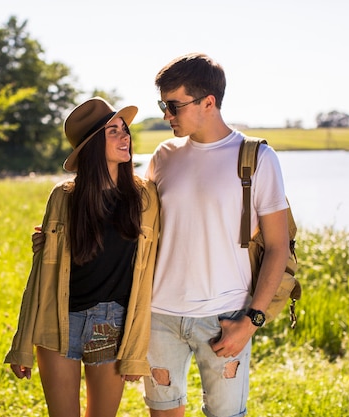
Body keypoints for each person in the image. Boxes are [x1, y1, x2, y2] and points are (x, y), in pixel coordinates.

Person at [143, 52, 290, 417]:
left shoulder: (256, 157)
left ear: (208, 102)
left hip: (225, 317)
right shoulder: (164, 155)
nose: (166, 116)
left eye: (174, 105)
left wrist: (251, 321)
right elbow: (137, 227)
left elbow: (278, 246)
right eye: (163, 105)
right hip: (159, 316)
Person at [4, 97, 160, 417]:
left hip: (111, 323)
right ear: (91, 146)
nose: (125, 136)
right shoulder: (64, 197)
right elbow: (42, 274)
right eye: (112, 131)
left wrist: (135, 350)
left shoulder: (144, 196)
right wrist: (22, 345)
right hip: (60, 320)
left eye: (124, 129)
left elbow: (148, 270)